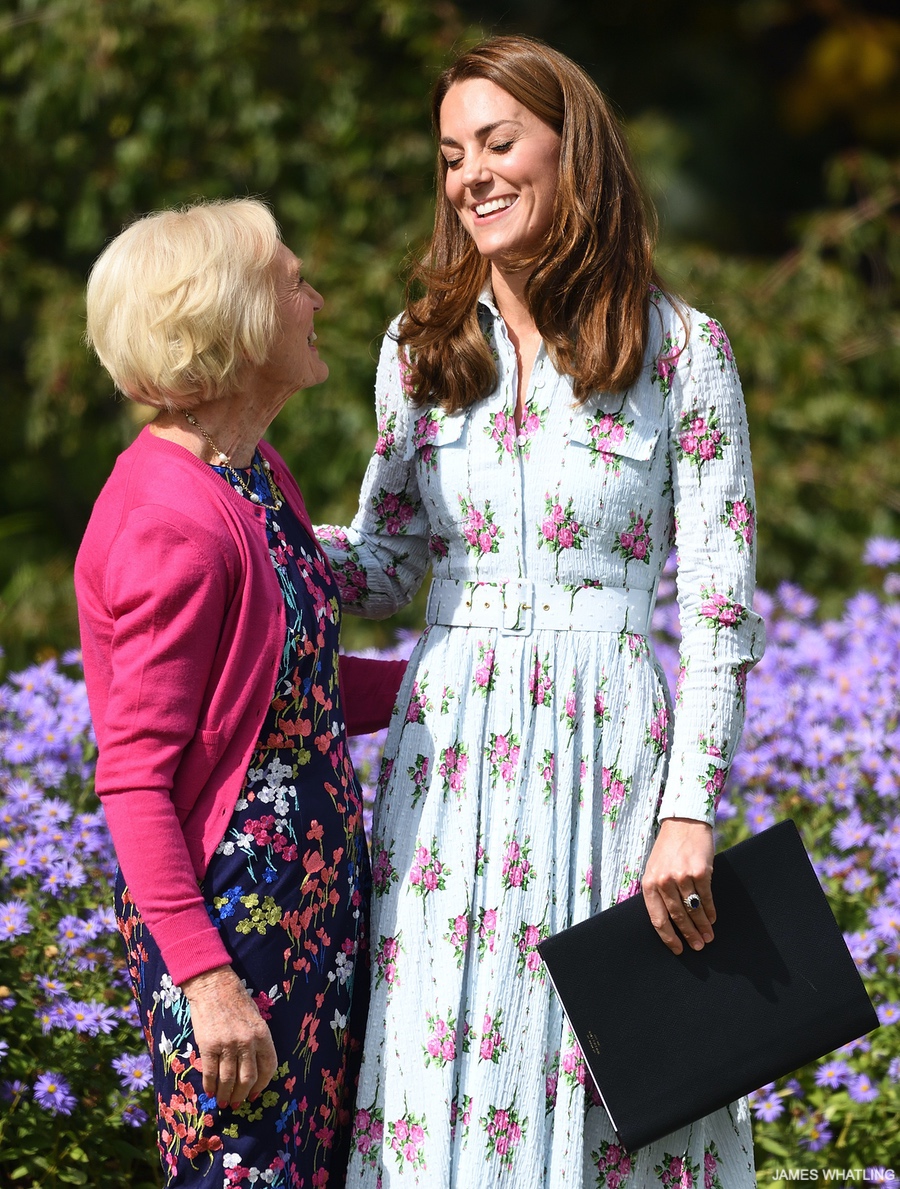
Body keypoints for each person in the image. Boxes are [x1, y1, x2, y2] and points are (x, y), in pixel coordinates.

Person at [316, 35, 766, 1188]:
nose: (470, 174)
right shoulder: (419, 350)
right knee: (437, 1064)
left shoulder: (682, 351)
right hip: (451, 763)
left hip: (609, 758)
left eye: (499, 143)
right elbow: (379, 563)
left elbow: (721, 612)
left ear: (576, 152)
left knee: (612, 1078)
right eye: (451, 154)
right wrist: (235, 509)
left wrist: (689, 811)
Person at [74, 199, 405, 1188]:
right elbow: (134, 781)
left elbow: (289, 690)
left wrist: (458, 682)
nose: (316, 300)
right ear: (237, 320)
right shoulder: (172, 522)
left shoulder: (253, 477)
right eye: (294, 284)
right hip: (232, 932)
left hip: (305, 913)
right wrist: (208, 980)